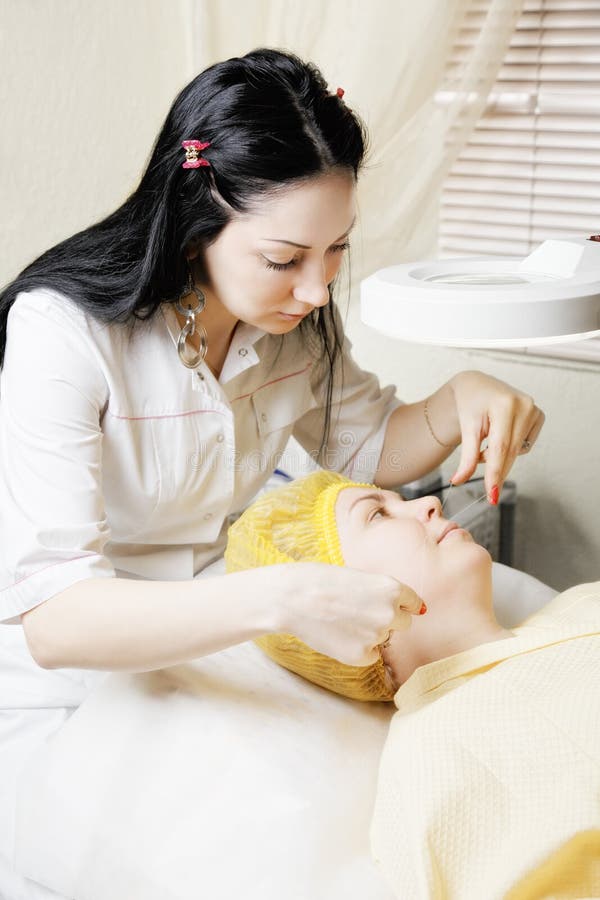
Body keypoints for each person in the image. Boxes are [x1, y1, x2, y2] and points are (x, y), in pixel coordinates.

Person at [0, 46, 544, 890]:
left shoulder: (288, 324)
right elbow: (59, 620)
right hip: (62, 686)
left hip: (215, 645)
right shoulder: (61, 334)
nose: (320, 290)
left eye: (336, 252)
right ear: (194, 217)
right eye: (286, 258)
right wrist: (284, 601)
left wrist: (460, 397)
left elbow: (368, 448)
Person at [224, 469, 600, 899]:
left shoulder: (582, 602)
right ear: (332, 603)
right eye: (378, 515)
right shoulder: (433, 766)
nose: (431, 503)